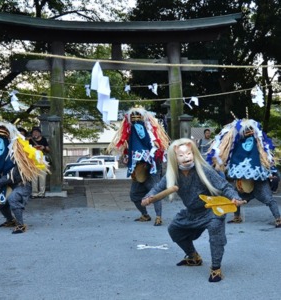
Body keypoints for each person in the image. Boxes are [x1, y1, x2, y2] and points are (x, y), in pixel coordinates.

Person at [141, 138, 244, 282]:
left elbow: (224, 186)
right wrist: (148, 197)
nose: (187, 157)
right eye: (181, 155)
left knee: (216, 232)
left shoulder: (204, 170)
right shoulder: (172, 174)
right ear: (174, 158)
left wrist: (234, 197)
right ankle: (193, 256)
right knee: (174, 229)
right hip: (192, 212)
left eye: (189, 153)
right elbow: (157, 188)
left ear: (193, 153)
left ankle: (216, 268)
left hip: (211, 210)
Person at [207, 117, 281, 228]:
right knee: (236, 197)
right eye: (245, 130)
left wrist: (271, 171)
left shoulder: (258, 143)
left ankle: (278, 218)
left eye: (250, 129)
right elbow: (225, 155)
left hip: (258, 180)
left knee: (268, 198)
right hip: (241, 179)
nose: (248, 132)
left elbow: (266, 156)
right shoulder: (236, 144)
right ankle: (237, 217)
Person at [0, 122, 49, 233]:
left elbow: (11, 176)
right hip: (5, 185)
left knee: (13, 198)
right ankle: (10, 220)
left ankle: (21, 225)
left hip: (21, 184)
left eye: (2, 141)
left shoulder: (16, 156)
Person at [107, 106, 170, 226]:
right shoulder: (130, 134)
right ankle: (145, 215)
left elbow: (157, 147)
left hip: (151, 167)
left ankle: (158, 217)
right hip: (137, 168)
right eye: (133, 118)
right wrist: (127, 158)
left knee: (154, 191)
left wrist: (151, 157)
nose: (136, 121)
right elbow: (128, 150)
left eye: (138, 117)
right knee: (134, 194)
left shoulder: (151, 132)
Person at [29, 127, 50, 198]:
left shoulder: (43, 139)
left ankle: (42, 193)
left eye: (37, 132)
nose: (35, 134)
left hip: (42, 160)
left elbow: (48, 149)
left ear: (40, 133)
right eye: (33, 132)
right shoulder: (30, 140)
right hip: (33, 160)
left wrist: (43, 147)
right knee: (34, 178)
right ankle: (34, 193)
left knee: (42, 177)